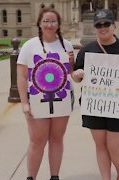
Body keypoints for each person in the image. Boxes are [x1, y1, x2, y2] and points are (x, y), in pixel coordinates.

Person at [71, 9, 119, 180]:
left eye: (106, 24)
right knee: (100, 146)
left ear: (114, 26)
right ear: (95, 27)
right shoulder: (87, 51)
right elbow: (76, 76)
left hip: (118, 104)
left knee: (115, 147)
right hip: (94, 104)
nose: (103, 27)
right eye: (99, 25)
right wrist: (76, 75)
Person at [17, 7, 75, 180]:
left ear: (58, 24)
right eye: (46, 21)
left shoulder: (67, 45)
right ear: (39, 24)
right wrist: (24, 102)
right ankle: (31, 177)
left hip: (62, 98)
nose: (49, 25)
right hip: (36, 98)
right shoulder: (30, 45)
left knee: (57, 139)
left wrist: (71, 63)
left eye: (53, 21)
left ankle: (54, 176)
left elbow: (70, 74)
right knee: (37, 141)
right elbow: (21, 76)